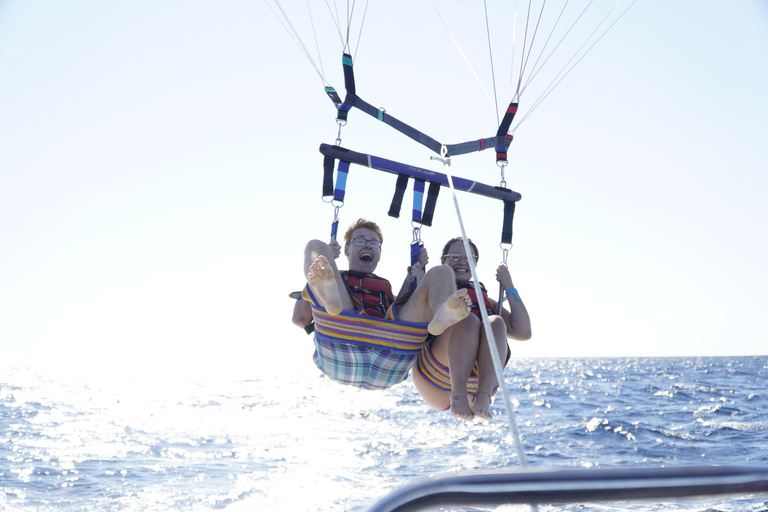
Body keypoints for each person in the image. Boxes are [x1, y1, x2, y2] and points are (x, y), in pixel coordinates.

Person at [296, 219, 472, 390]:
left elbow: (401, 312)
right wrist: (326, 259)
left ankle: (443, 311)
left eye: (374, 243)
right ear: (347, 250)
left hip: (355, 348)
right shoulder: (332, 277)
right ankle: (326, 295)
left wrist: (412, 276)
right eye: (360, 240)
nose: (368, 245)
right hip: (377, 353)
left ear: (379, 254)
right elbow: (300, 318)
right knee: (318, 246)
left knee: (441, 271)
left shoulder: (384, 286)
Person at [412, 237, 532, 420]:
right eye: (454, 256)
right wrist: (418, 278)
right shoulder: (435, 293)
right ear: (443, 261)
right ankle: (457, 394)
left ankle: (484, 395)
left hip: (477, 385)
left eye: (469, 257)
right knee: (467, 319)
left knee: (496, 322)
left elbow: (524, 332)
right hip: (436, 377)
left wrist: (509, 286)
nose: (462, 261)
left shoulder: (486, 303)